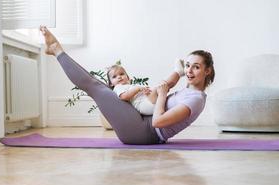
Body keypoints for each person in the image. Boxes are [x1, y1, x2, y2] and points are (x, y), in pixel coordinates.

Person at [40, 26, 215, 145]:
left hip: (144, 132)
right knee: (102, 87)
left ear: (207, 71)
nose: (190, 71)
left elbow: (158, 121)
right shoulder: (189, 91)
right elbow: (167, 85)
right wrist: (178, 73)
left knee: (95, 87)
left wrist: (161, 95)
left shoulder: (195, 100)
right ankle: (55, 49)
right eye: (188, 66)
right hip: (142, 122)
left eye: (197, 67)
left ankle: (56, 49)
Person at [107, 61, 185, 115]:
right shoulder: (118, 87)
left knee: (165, 86)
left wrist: (144, 92)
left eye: (121, 74)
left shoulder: (129, 86)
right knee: (160, 86)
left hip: (148, 101)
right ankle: (178, 72)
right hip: (145, 105)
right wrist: (138, 88)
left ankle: (179, 73)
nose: (119, 77)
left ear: (128, 77)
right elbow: (124, 96)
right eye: (114, 76)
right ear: (111, 84)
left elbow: (136, 96)